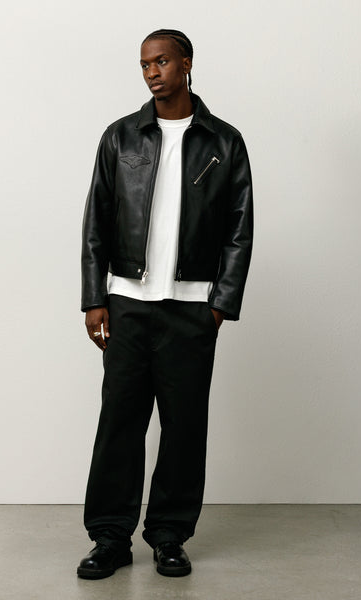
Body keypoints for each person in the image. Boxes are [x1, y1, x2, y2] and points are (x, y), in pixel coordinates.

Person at [78, 28, 253, 579]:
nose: (152, 72)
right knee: (119, 424)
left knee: (184, 428)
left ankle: (170, 536)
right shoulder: (120, 137)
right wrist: (94, 298)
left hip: (192, 309)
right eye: (144, 64)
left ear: (186, 63)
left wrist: (219, 304)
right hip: (127, 303)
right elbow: (96, 221)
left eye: (161, 61)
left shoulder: (224, 142)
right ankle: (110, 537)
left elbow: (239, 229)